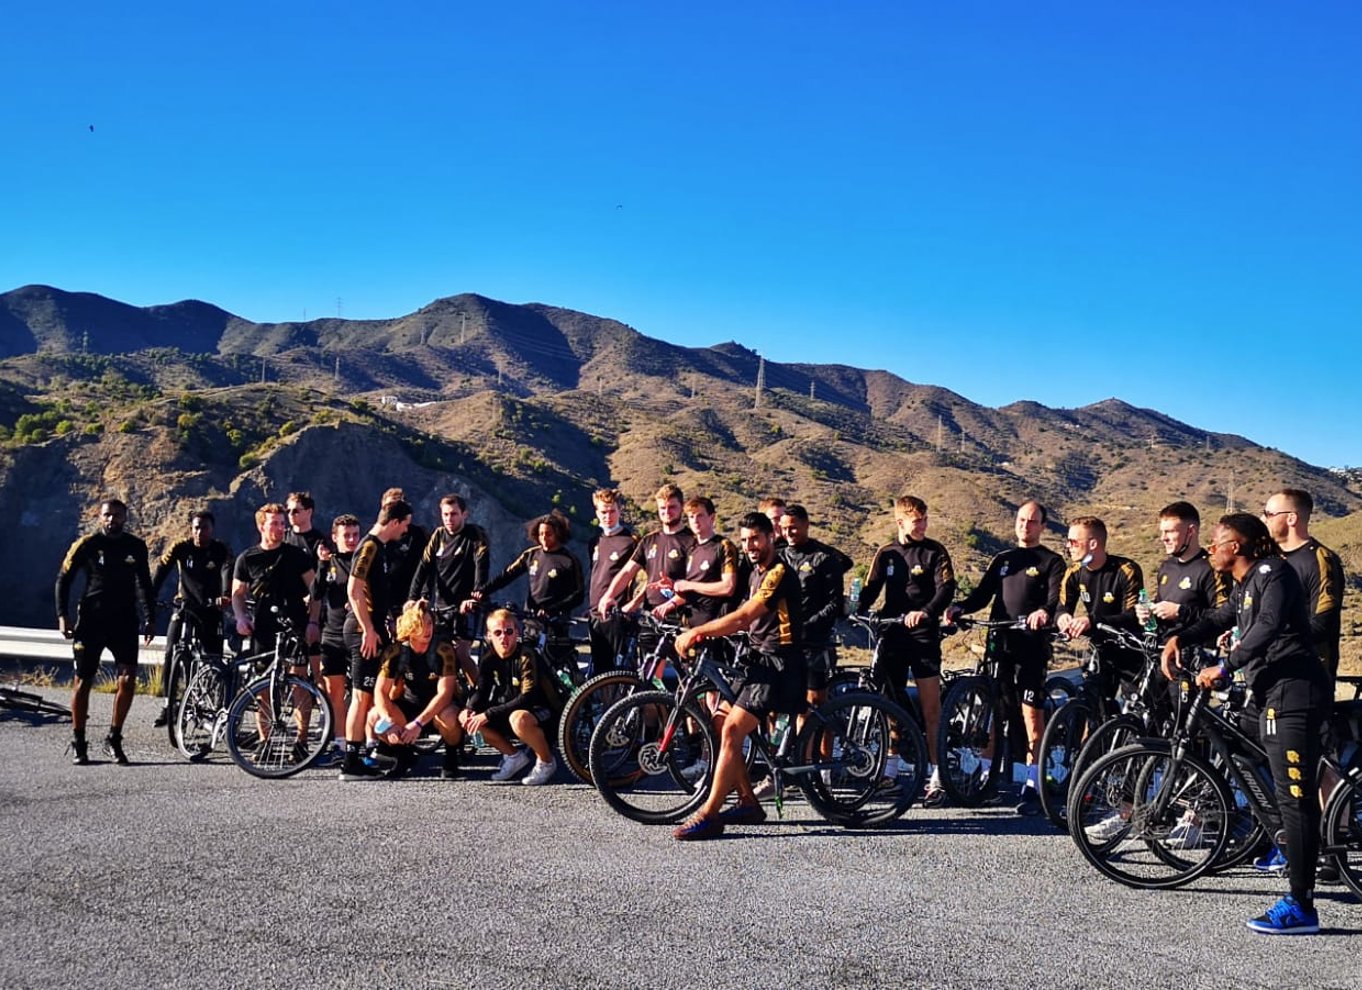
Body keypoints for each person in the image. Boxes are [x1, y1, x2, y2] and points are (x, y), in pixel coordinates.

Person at [1161, 513, 1331, 934]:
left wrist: (1224, 667)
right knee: (1234, 744)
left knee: (1295, 797)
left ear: (1234, 546)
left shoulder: (1274, 574)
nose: (1212, 550)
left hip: (1294, 694)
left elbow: (1269, 628)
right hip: (1266, 694)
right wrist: (1180, 637)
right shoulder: (1243, 584)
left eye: (1216, 543)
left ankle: (1301, 905)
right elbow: (1220, 619)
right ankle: (1280, 836)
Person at [670, 511, 805, 839]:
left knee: (731, 728)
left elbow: (745, 616)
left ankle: (710, 814)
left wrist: (699, 632)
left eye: (756, 539)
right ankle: (748, 801)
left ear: (771, 536)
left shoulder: (778, 572)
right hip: (757, 660)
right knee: (720, 721)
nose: (750, 546)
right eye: (745, 541)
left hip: (780, 665)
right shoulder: (755, 571)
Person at [945, 500, 1065, 814]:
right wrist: (959, 608)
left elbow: (1055, 600)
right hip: (1000, 639)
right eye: (1022, 519)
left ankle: (1032, 784)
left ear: (1042, 526)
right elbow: (982, 596)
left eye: (1033, 521)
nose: (1026, 525)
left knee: (1030, 715)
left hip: (1031, 645)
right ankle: (986, 779)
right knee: (993, 710)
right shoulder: (1003, 559)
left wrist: (1043, 612)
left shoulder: (1051, 561)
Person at [858, 495, 957, 806]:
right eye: (917, 521)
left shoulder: (934, 551)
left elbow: (946, 589)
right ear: (900, 522)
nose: (923, 526)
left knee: (931, 708)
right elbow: (871, 589)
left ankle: (936, 775)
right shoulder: (886, 553)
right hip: (893, 633)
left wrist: (926, 612)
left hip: (924, 635)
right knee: (890, 703)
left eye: (925, 520)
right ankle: (889, 771)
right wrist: (857, 609)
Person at [55, 498, 155, 765]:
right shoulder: (87, 544)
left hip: (124, 621)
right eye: (108, 515)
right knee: (83, 681)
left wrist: (150, 618)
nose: (112, 520)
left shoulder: (136, 546)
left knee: (128, 680)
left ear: (125, 518)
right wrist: (63, 616)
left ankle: (114, 738)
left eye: (118, 516)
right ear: (100, 517)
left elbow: (144, 583)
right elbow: (64, 579)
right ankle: (79, 741)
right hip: (91, 621)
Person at [340, 499, 412, 781]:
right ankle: (350, 761)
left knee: (369, 694)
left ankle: (373, 750)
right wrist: (368, 629)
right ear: (394, 522)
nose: (405, 531)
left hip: (374, 626)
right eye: (404, 525)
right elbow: (353, 590)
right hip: (361, 632)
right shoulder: (369, 546)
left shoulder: (380, 548)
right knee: (360, 695)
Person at [459, 608, 565, 785]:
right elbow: (481, 692)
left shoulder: (526, 655)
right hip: (509, 710)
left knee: (519, 719)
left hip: (545, 713)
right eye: (498, 633)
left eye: (509, 631)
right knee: (470, 720)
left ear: (517, 632)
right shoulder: (488, 659)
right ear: (488, 635)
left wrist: (488, 714)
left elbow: (528, 698)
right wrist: (468, 710)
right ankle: (513, 756)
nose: (504, 637)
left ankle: (546, 762)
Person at [149, 509, 233, 727]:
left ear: (211, 529)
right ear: (191, 529)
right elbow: (162, 569)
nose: (199, 532)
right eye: (196, 527)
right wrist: (152, 596)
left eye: (204, 527)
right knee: (171, 651)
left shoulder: (220, 549)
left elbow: (227, 571)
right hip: (185, 606)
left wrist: (225, 595)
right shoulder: (181, 548)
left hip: (211, 609)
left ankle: (211, 706)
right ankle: (169, 705)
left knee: (213, 658)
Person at [478, 509, 585, 679]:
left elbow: (578, 595)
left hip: (555, 626)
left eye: (548, 534)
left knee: (551, 672)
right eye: (541, 534)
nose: (544, 537)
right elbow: (507, 575)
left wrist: (554, 609)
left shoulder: (569, 560)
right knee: (527, 665)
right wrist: (482, 591)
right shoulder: (531, 555)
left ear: (558, 533)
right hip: (530, 623)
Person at [368, 600, 467, 779]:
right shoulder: (395, 652)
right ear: (410, 627)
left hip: (438, 707)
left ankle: (451, 757)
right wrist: (388, 721)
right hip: (409, 704)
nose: (427, 629)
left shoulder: (444, 649)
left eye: (430, 623)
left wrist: (419, 723)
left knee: (450, 716)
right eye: (421, 625)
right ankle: (403, 756)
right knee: (375, 716)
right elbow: (380, 692)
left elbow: (445, 693)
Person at [597, 484, 696, 655]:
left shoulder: (692, 541)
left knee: (685, 675)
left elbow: (697, 582)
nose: (667, 512)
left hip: (682, 618)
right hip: (650, 617)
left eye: (672, 507)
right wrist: (609, 596)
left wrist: (672, 603)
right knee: (649, 673)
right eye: (662, 508)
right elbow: (628, 572)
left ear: (682, 507)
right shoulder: (649, 540)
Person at [1056, 515, 1145, 700]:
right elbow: (1062, 606)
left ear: (1093, 544)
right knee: (1094, 702)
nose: (1068, 547)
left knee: (1136, 707)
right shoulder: (1073, 573)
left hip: (1130, 648)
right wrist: (1062, 617)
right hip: (1099, 646)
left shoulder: (1127, 570)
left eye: (1073, 542)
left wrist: (1092, 621)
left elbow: (1132, 615)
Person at [778, 504, 853, 717]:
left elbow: (834, 604)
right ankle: (787, 749)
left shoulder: (824, 557)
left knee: (816, 705)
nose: (788, 533)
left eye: (793, 527)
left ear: (806, 525)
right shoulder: (778, 556)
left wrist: (807, 627)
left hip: (814, 643)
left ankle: (817, 751)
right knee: (780, 704)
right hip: (783, 640)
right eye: (784, 528)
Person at [1263, 489, 1346, 683]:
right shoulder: (1270, 559)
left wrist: (1268, 638)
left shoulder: (1320, 561)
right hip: (1269, 667)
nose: (1264, 519)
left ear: (1291, 518)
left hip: (1307, 675)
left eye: (1269, 514)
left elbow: (1322, 624)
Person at [406, 493, 489, 674]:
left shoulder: (475, 534)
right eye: (445, 515)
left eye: (453, 514)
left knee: (462, 653)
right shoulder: (438, 535)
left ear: (464, 514)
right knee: (435, 651)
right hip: (442, 606)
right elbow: (424, 567)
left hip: (468, 607)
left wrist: (476, 592)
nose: (449, 519)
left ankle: (480, 699)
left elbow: (481, 565)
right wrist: (413, 598)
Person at [230, 503, 319, 657]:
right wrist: (241, 617)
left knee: (297, 677)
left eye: (283, 523)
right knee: (264, 677)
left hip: (295, 625)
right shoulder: (247, 559)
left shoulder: (297, 556)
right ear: (261, 527)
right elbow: (237, 594)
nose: (280, 528)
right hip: (263, 627)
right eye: (274, 523)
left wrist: (313, 621)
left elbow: (315, 590)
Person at [1135, 501, 1230, 637]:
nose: (1163, 538)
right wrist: (1148, 613)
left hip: (1195, 652)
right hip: (1162, 650)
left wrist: (1181, 612)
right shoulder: (1166, 567)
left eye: (1170, 532)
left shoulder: (1212, 568)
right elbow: (1162, 608)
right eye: (1162, 532)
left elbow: (1224, 616)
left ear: (1191, 531)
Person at [312, 513, 361, 758]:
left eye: (355, 535)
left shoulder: (365, 560)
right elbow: (316, 593)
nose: (351, 540)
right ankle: (340, 742)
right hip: (331, 635)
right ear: (335, 537)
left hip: (358, 634)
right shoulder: (328, 563)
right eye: (346, 535)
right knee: (336, 694)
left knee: (362, 694)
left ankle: (361, 743)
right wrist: (321, 564)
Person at [654, 496, 740, 630]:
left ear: (712, 518)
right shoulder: (691, 548)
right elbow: (692, 590)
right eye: (691, 517)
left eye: (700, 516)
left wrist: (689, 585)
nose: (695, 521)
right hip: (687, 625)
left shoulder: (724, 547)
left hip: (715, 628)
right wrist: (674, 589)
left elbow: (728, 587)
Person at [586, 488, 639, 677]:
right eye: (603, 512)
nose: (608, 516)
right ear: (596, 512)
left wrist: (632, 604)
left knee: (618, 673)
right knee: (600, 672)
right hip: (595, 614)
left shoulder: (631, 541)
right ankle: (607, 707)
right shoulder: (594, 541)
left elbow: (642, 578)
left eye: (612, 511)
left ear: (620, 511)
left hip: (618, 615)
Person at [380, 487, 428, 623]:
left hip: (411, 601)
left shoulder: (419, 535)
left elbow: (427, 569)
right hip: (383, 603)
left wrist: (422, 598)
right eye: (390, 507)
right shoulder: (377, 537)